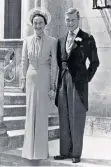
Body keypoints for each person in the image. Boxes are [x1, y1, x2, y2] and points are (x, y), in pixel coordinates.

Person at [54, 8, 100, 163]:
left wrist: (85, 79)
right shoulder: (60, 39)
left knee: (77, 117)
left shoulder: (87, 38)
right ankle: (64, 152)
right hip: (63, 81)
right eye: (67, 20)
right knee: (64, 116)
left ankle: (75, 154)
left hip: (78, 83)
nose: (70, 23)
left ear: (78, 19)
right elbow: (60, 63)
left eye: (73, 20)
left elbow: (95, 62)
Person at [20, 7, 58, 160]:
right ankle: (28, 151)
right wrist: (22, 79)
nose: (38, 26)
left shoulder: (52, 41)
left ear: (45, 24)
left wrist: (53, 85)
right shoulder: (27, 41)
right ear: (32, 24)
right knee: (30, 113)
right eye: (35, 23)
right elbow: (23, 61)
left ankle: (41, 151)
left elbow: (54, 64)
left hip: (44, 78)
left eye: (40, 23)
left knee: (41, 114)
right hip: (30, 79)